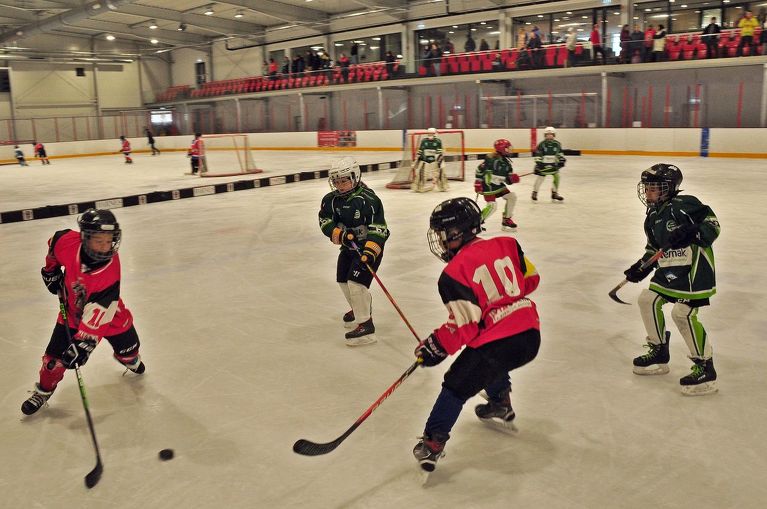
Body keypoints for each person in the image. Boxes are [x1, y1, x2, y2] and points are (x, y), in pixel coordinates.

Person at [412, 197, 541, 472]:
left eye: (442, 234)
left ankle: (432, 443)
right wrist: (501, 302)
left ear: (456, 232)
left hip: (499, 342)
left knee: (455, 385)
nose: (440, 241)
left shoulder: (452, 273)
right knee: (488, 361)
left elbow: (464, 326)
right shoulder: (508, 244)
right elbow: (531, 280)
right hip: (531, 334)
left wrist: (434, 346)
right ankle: (499, 402)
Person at [21, 209, 145, 415]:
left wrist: (83, 345)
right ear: (85, 238)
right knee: (53, 362)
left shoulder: (109, 273)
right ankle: (43, 391)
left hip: (110, 316)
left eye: (109, 241)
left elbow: (98, 316)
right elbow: (55, 243)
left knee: (129, 351)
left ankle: (129, 359)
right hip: (73, 314)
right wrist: (50, 271)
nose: (105, 247)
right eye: (99, 241)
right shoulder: (67, 242)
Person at [624, 164, 720, 396]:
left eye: (653, 188)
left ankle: (705, 366)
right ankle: (659, 350)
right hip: (669, 270)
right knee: (647, 300)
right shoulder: (652, 217)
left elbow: (713, 224)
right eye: (646, 188)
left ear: (668, 188)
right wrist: (641, 267)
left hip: (694, 271)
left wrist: (694, 232)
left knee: (682, 314)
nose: (648, 193)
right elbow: (654, 249)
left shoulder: (683, 204)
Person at [318, 157, 390, 346]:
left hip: (368, 249)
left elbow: (379, 228)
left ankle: (366, 327)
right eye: (336, 181)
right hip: (349, 247)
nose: (340, 186)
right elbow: (325, 220)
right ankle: (360, 309)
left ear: (355, 177)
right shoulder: (330, 200)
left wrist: (370, 252)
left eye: (344, 181)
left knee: (356, 284)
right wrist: (338, 234)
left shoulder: (368, 200)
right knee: (343, 280)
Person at [474, 139, 521, 230]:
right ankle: (476, 222)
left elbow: (507, 179)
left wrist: (511, 179)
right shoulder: (491, 160)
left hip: (498, 186)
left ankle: (506, 219)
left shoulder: (507, 163)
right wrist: (478, 182)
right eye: (507, 148)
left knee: (512, 197)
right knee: (492, 206)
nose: (510, 150)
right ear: (502, 149)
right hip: (488, 186)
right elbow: (479, 169)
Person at [532, 127, 566, 201]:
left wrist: (562, 160)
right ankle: (535, 192)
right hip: (543, 166)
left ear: (554, 135)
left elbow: (560, 153)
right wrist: (538, 164)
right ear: (545, 135)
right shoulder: (542, 144)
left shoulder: (557, 144)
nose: (549, 135)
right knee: (540, 179)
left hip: (554, 166)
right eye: (547, 134)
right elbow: (538, 155)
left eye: (551, 134)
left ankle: (554, 193)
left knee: (557, 177)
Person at [412, 128, 446, 192]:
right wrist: (417, 159)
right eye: (429, 134)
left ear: (434, 134)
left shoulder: (438, 141)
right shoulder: (424, 141)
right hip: (425, 161)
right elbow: (420, 151)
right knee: (422, 174)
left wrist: (440, 162)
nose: (431, 135)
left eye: (432, 134)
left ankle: (442, 187)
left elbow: (440, 152)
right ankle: (418, 187)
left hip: (435, 161)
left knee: (438, 174)